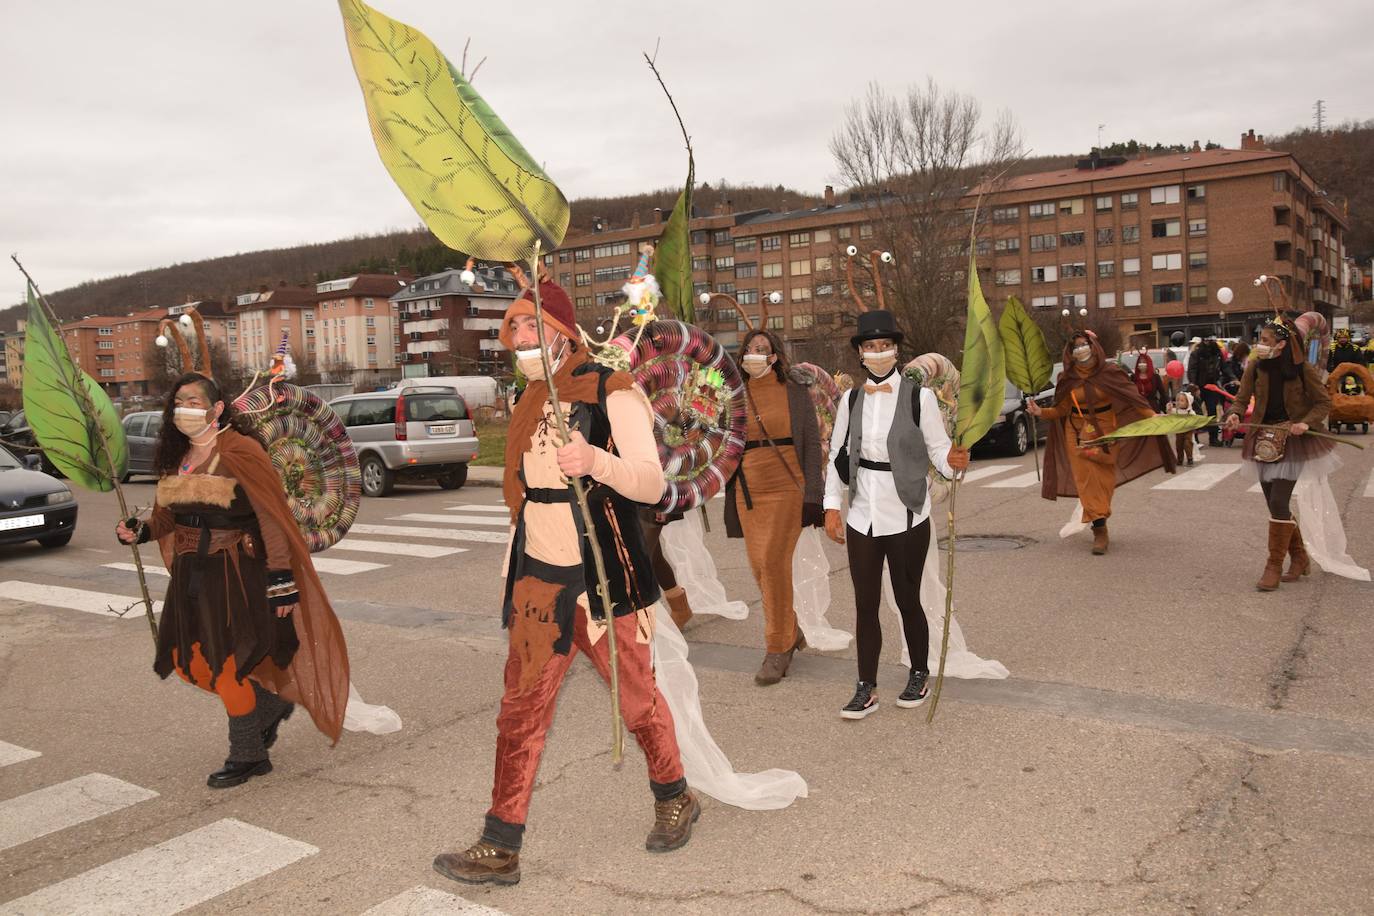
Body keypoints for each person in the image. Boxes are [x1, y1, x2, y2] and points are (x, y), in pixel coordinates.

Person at [433, 279, 696, 888]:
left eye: (532, 327)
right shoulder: (528, 398)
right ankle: (501, 844)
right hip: (537, 579)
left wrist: (596, 462)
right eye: (514, 330)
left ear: (563, 331)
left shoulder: (612, 390)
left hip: (601, 575)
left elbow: (653, 486)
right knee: (519, 712)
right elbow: (522, 493)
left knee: (636, 699)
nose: (522, 339)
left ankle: (674, 794)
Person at [115, 372, 350, 788]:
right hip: (192, 576)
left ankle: (248, 755)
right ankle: (269, 704)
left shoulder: (241, 450)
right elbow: (168, 516)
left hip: (235, 574)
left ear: (217, 407)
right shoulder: (178, 458)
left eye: (192, 400)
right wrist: (141, 528)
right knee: (190, 665)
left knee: (227, 667)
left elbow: (271, 518)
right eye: (177, 401)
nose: (182, 409)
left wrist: (281, 580)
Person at [822, 309, 969, 719]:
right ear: (860, 353)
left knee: (908, 599)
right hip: (861, 516)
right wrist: (831, 508)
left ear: (897, 350)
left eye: (885, 345)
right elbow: (836, 456)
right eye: (870, 346)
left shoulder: (920, 398)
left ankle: (919, 673)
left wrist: (954, 461)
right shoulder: (850, 400)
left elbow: (939, 452)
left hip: (907, 513)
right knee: (865, 605)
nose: (878, 352)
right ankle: (865, 687)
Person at [723, 328, 825, 686]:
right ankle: (791, 628)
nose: (754, 354)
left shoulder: (794, 391)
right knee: (758, 568)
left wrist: (815, 495)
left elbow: (811, 444)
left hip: (787, 487)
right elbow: (720, 440)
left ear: (775, 356)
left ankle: (777, 647)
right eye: (749, 348)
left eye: (761, 349)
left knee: (773, 563)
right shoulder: (734, 394)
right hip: (749, 490)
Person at [1028, 331, 1174, 555]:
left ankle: (1100, 515)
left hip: (1106, 430)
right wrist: (1041, 412)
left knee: (1104, 480)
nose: (1080, 350)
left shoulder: (1110, 372)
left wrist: (1151, 416)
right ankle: (1099, 529)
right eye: (1075, 347)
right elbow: (1061, 410)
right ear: (1070, 353)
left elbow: (1131, 397)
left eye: (1084, 345)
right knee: (1086, 481)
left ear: (1093, 345)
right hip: (1076, 432)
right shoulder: (1066, 378)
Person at [1223, 318, 1334, 590]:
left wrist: (1306, 422)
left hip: (1293, 441)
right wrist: (1234, 414)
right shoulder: (1256, 367)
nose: (1261, 345)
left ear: (1282, 344)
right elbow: (1241, 397)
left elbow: (1324, 402)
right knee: (1274, 504)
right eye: (1260, 340)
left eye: (1267, 341)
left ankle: (1273, 566)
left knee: (1280, 503)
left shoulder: (1301, 369)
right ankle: (1299, 557)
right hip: (1263, 441)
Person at [1188, 336, 1227, 446]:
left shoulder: (1217, 352)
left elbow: (1224, 367)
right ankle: (1194, 438)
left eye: (1211, 340)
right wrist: (1193, 384)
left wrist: (1233, 378)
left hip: (1212, 385)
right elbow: (1192, 369)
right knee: (1195, 412)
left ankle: (1213, 438)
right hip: (1199, 385)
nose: (1209, 342)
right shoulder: (1197, 353)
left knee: (1212, 412)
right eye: (1207, 340)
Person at [1167, 390, 1196, 465]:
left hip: (1188, 430)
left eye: (1182, 400)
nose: (1179, 402)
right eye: (1178, 400)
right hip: (1179, 431)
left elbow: (1195, 420)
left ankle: (1190, 458)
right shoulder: (1176, 411)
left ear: (1188, 402)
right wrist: (1169, 408)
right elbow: (1169, 414)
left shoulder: (1191, 412)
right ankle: (1180, 459)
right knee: (1178, 445)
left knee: (1187, 443)